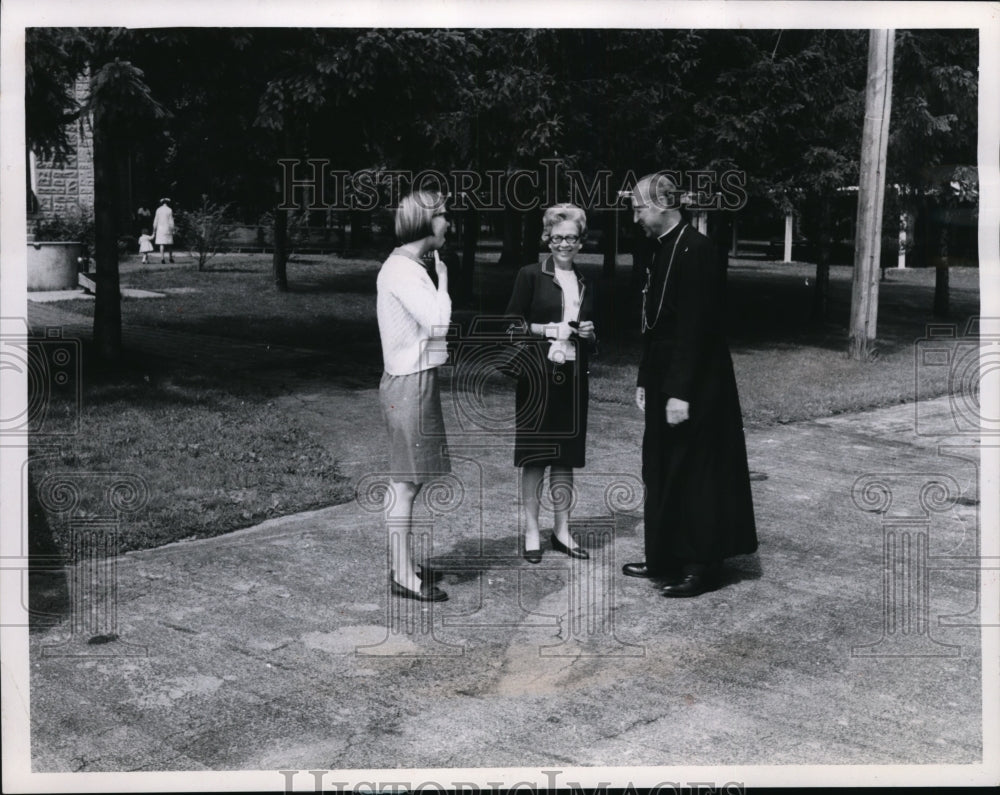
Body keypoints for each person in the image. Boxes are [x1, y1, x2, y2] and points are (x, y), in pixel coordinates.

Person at [623, 172, 757, 597]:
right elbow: (654, 322)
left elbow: (696, 328)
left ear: (662, 205)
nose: (636, 219)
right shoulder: (660, 249)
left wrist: (680, 391)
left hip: (697, 380)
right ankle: (665, 555)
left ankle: (701, 565)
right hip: (665, 371)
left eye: (639, 210)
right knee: (659, 465)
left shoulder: (697, 251)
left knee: (695, 469)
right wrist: (647, 378)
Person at [504, 204, 597, 563]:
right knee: (534, 457)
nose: (563, 244)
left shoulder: (587, 281)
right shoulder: (530, 274)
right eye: (557, 237)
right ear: (547, 238)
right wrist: (545, 330)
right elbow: (511, 324)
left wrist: (589, 332)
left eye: (571, 238)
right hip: (537, 378)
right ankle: (531, 530)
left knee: (565, 457)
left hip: (572, 378)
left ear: (580, 242)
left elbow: (595, 336)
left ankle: (562, 530)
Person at [376, 189, 453, 602]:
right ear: (426, 221)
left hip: (409, 380)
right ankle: (404, 576)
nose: (448, 223)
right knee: (406, 484)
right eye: (443, 215)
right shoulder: (407, 270)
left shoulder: (405, 264)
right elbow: (439, 323)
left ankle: (403, 564)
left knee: (407, 482)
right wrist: (445, 282)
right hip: (409, 383)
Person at [152, 198, 175, 263]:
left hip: (160, 228)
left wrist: (154, 229)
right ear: (168, 203)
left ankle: (162, 258)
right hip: (167, 228)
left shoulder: (158, 210)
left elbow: (155, 220)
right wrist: (173, 229)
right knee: (169, 244)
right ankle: (170, 258)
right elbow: (171, 221)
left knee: (162, 244)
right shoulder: (169, 210)